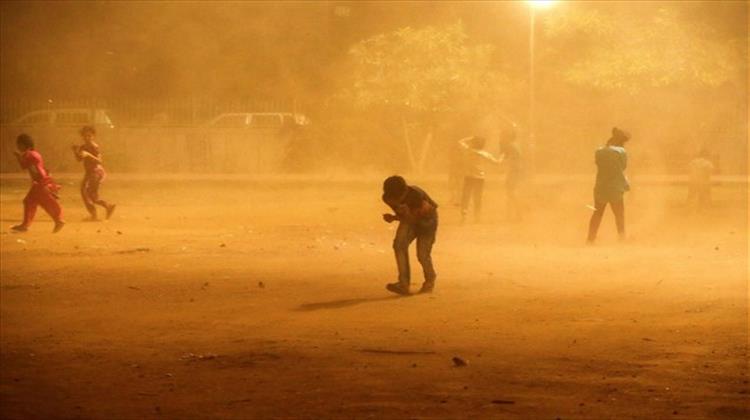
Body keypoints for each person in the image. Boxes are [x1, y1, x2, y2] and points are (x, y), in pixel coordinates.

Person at [381, 175, 438, 295]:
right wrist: (395, 217)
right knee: (399, 245)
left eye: (398, 197)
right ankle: (403, 284)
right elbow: (405, 216)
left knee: (422, 254)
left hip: (427, 222)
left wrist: (401, 216)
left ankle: (430, 279)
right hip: (410, 220)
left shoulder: (416, 195)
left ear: (405, 191)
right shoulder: (388, 198)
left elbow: (422, 215)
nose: (395, 201)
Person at [11, 134, 65, 233]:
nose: (18, 146)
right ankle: (57, 220)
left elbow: (26, 167)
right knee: (35, 201)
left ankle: (58, 220)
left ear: (24, 144)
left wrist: (19, 157)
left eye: (19, 144)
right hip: (42, 181)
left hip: (40, 182)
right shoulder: (35, 153)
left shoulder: (28, 154)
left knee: (40, 202)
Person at [587, 127, 631, 243]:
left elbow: (598, 164)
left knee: (597, 213)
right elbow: (623, 166)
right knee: (619, 215)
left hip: (601, 186)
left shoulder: (599, 151)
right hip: (615, 187)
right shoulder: (621, 152)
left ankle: (590, 239)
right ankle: (621, 238)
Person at [71, 126, 115, 220]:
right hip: (89, 173)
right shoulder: (83, 147)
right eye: (85, 136)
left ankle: (94, 214)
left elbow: (99, 161)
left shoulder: (94, 147)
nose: (87, 138)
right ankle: (108, 207)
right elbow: (79, 159)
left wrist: (88, 154)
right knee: (92, 195)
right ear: (82, 136)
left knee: (85, 192)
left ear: (93, 136)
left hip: (96, 172)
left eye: (89, 136)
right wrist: (75, 151)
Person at [458, 136, 501, 223]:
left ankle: (464, 214)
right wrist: (503, 156)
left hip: (469, 177)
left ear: (473, 143)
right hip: (480, 178)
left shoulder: (468, 150)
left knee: (466, 196)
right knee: (477, 197)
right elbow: (497, 162)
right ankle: (477, 217)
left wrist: (471, 137)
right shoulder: (485, 154)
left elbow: (459, 142)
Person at [498, 128, 524, 221]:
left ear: (508, 136)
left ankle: (518, 213)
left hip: (514, 171)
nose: (502, 137)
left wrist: (500, 144)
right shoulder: (515, 145)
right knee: (510, 192)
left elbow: (502, 158)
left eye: (503, 136)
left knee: (510, 192)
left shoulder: (510, 146)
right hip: (516, 170)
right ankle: (510, 214)